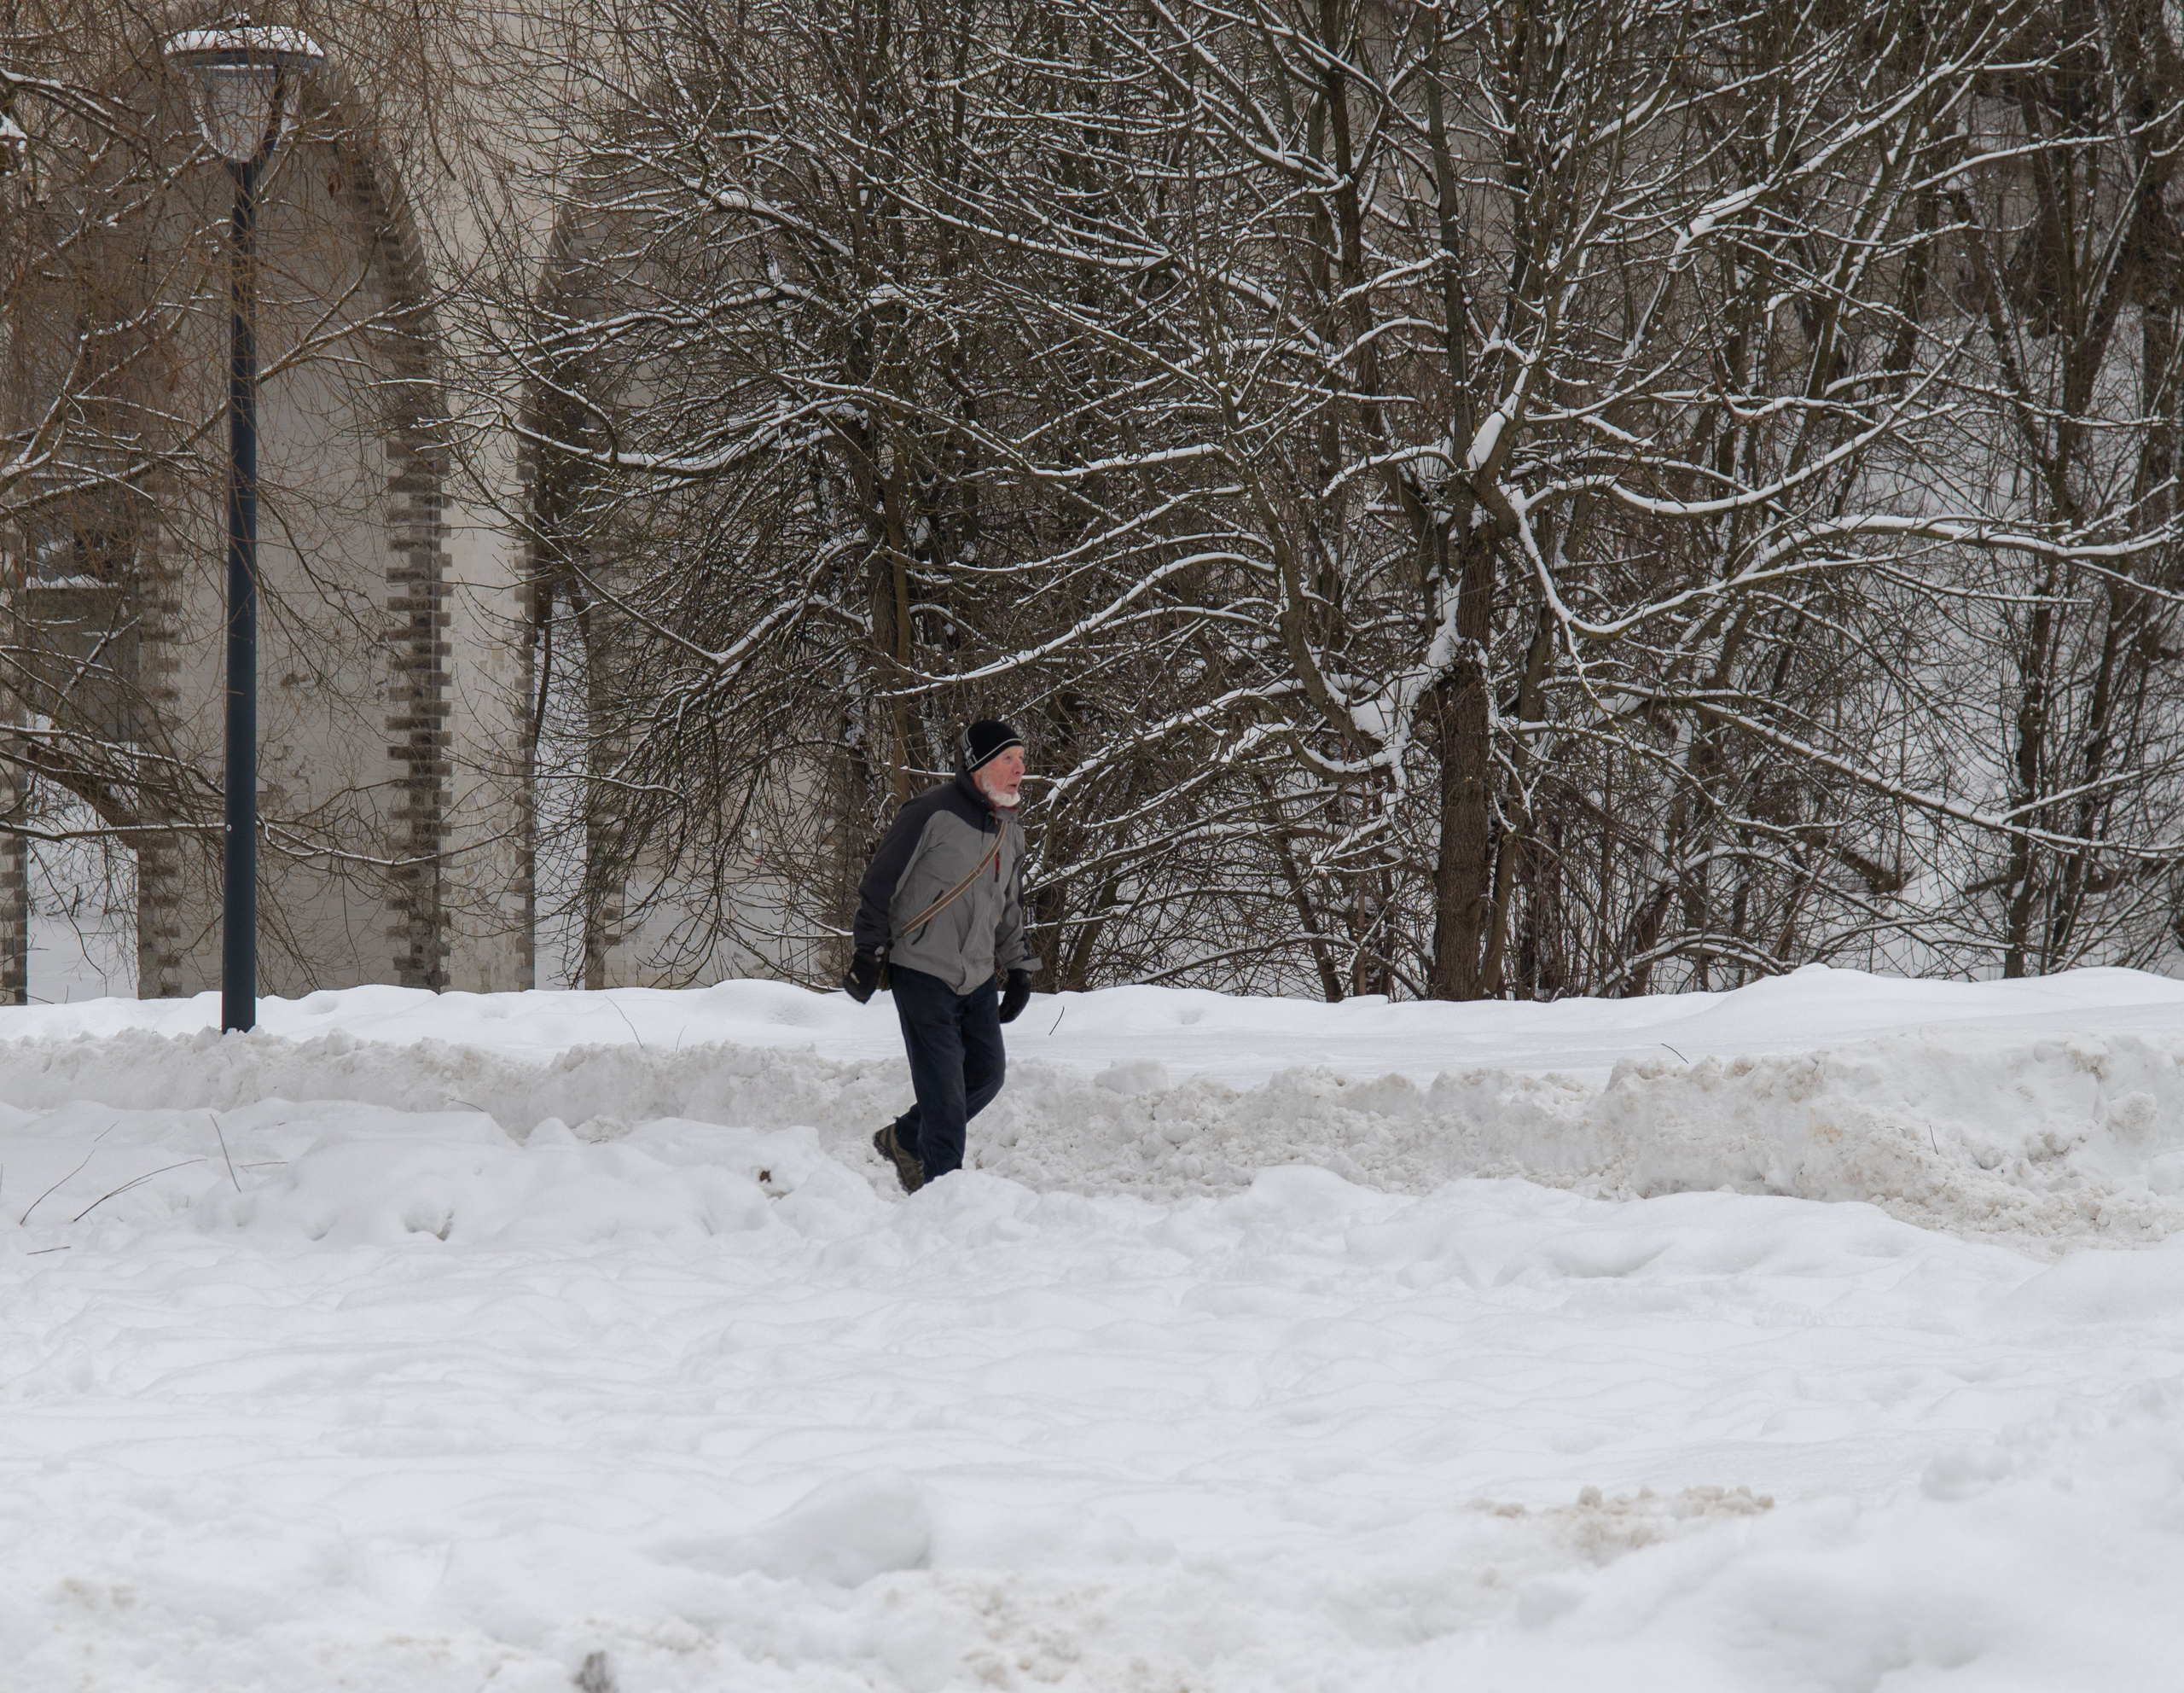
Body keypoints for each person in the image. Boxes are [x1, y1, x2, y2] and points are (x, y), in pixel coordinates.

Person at [842, 719, 1036, 1192]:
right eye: (1007, 759)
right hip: (922, 969)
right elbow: (880, 882)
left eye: (1021, 760)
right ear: (977, 765)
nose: (1019, 769)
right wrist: (868, 950)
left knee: (987, 1076)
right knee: (945, 1100)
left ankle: (904, 1138)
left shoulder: (1010, 831)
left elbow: (1009, 907)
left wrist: (1019, 967)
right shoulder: (929, 813)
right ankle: (942, 1196)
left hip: (976, 977)